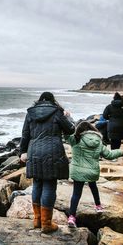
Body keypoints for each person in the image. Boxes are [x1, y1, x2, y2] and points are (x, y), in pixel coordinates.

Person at [20, 92, 75, 233]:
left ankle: (37, 220)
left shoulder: (30, 113)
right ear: (53, 100)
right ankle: (46, 223)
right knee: (49, 185)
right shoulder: (57, 112)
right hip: (53, 152)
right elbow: (70, 129)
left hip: (34, 152)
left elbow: (25, 134)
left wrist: (22, 152)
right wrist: (68, 117)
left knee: (37, 183)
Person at [65, 121, 123, 227]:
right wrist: (120, 151)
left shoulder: (75, 139)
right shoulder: (98, 141)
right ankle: (98, 206)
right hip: (92, 171)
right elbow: (109, 155)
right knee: (93, 186)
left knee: (76, 194)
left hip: (78, 171)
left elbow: (65, 133)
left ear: (80, 130)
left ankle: (72, 217)